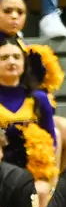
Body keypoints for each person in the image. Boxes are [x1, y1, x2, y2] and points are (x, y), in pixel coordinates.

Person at [0, 0, 66, 170]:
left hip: (26, 111)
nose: (14, 16)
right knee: (54, 136)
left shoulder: (27, 50)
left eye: (20, 12)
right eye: (7, 11)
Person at [0, 40, 55, 197]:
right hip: (2, 168)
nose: (11, 62)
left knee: (41, 191)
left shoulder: (39, 98)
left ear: (24, 63)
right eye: (4, 58)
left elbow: (51, 139)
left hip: (31, 171)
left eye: (16, 57)